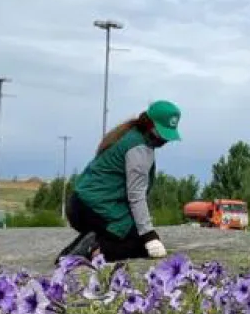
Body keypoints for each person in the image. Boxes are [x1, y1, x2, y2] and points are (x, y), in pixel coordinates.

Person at [58, 100, 181, 262]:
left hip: (82, 204)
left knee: (132, 233)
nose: (165, 140)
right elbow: (136, 195)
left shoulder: (130, 135)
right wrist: (149, 234)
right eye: (162, 133)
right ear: (149, 124)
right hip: (93, 208)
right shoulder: (138, 148)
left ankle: (81, 248)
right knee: (140, 245)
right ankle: (92, 250)